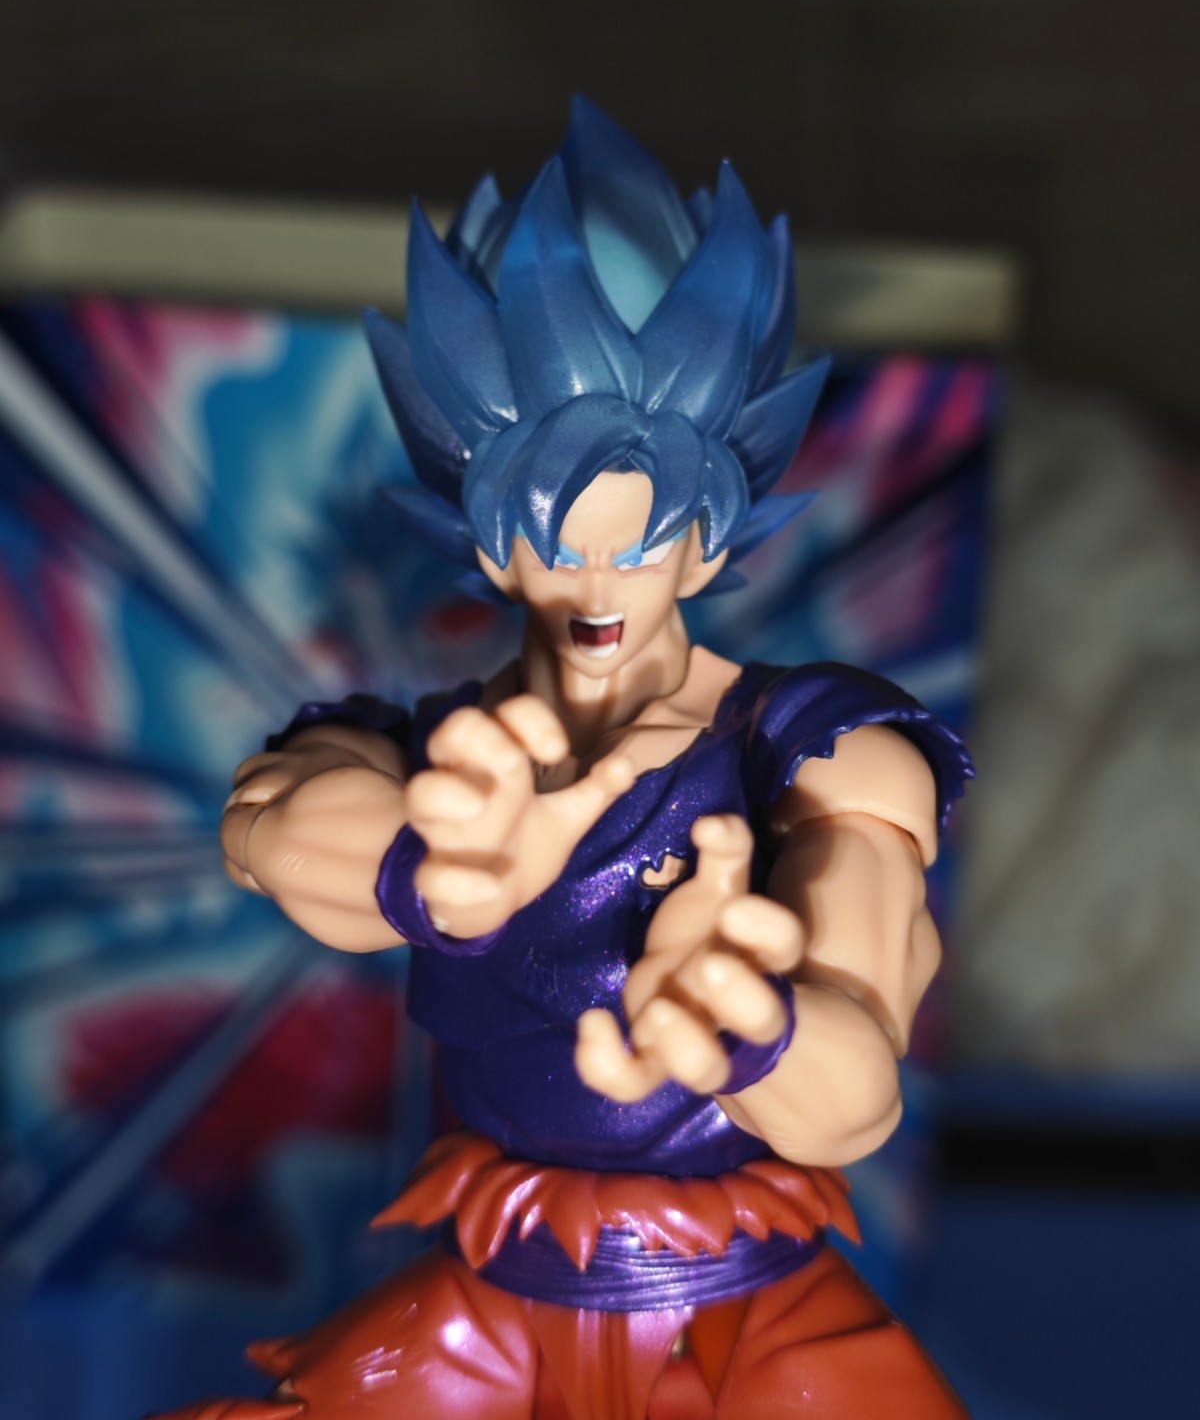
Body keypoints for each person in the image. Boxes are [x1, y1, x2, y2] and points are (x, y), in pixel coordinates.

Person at [163, 100, 971, 1418]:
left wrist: (750, 1027)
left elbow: (855, 1102)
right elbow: (268, 827)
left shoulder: (828, 758)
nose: (596, 585)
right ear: (492, 546)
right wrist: (430, 869)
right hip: (489, 1301)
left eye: (636, 542)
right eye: (556, 540)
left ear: (705, 544)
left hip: (739, 1320)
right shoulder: (447, 754)